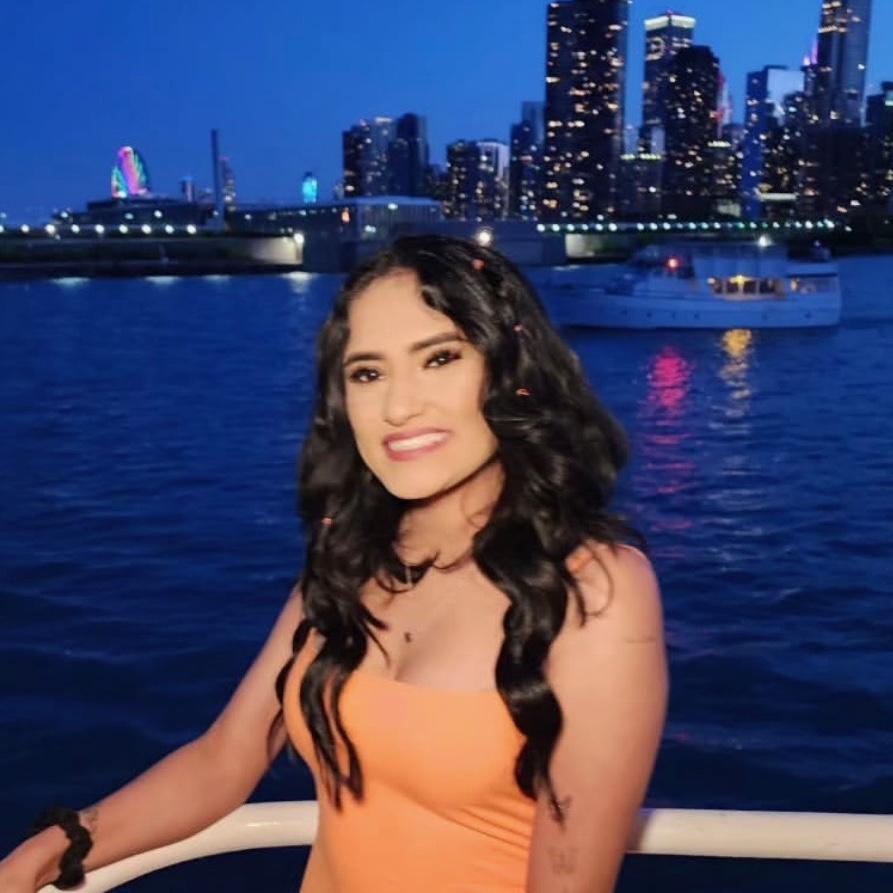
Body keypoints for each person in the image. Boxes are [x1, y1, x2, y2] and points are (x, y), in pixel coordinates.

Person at [0, 235, 668, 893]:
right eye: (367, 373)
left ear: (510, 369)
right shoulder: (350, 561)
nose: (398, 407)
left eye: (439, 358)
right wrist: (45, 852)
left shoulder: (595, 588)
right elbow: (222, 761)